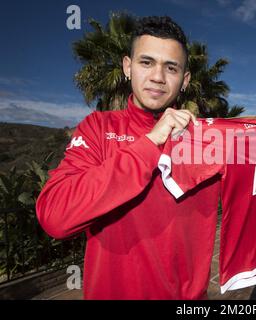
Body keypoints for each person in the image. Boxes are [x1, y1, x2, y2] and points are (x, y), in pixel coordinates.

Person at [36, 16, 221, 300]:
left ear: (185, 80)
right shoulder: (98, 128)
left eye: (171, 68)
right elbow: (56, 216)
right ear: (127, 67)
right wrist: (149, 144)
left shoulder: (210, 140)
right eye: (146, 62)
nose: (158, 77)